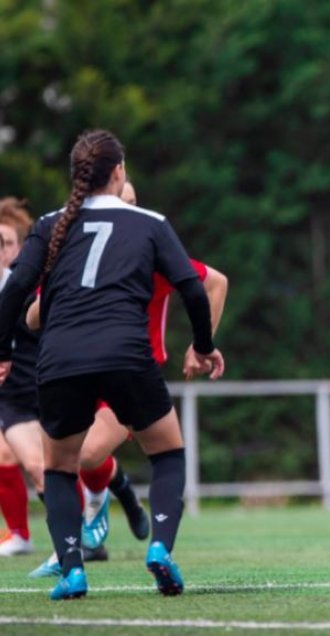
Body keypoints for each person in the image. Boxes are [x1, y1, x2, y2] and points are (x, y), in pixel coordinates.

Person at [0, 129, 224, 600]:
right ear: (119, 172)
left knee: (59, 469)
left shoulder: (49, 225)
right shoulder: (150, 223)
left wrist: (3, 351)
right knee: (167, 453)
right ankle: (160, 547)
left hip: (60, 360)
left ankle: (73, 571)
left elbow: (16, 291)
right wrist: (203, 345)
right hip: (126, 356)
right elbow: (192, 287)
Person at [0, 198, 38, 557]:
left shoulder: (26, 288)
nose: (4, 250)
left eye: (9, 243)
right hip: (8, 394)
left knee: (45, 467)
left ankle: (83, 526)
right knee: (4, 457)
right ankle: (19, 534)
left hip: (33, 389)